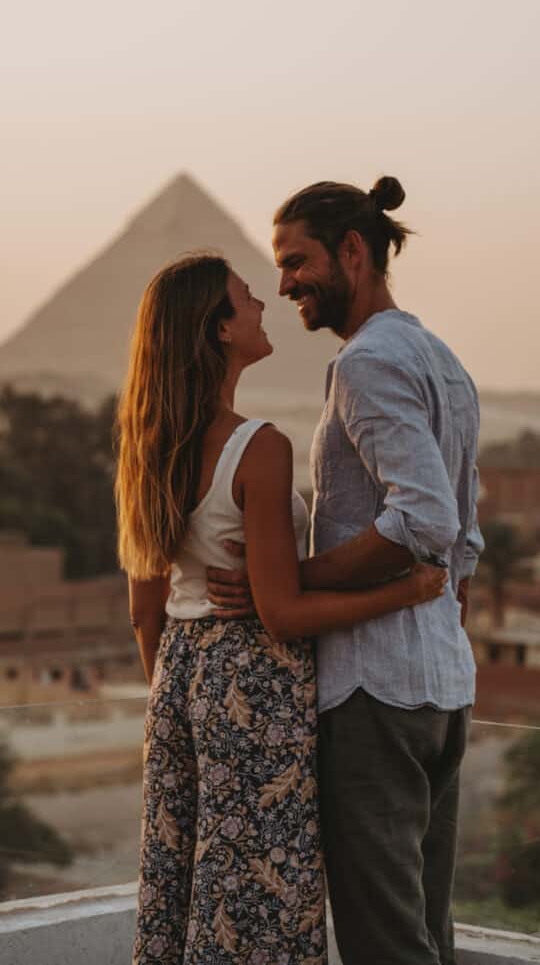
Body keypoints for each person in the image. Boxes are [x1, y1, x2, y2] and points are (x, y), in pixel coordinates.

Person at [115, 252, 448, 965]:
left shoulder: (148, 447)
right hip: (253, 694)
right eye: (245, 299)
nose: (264, 303)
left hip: (177, 682)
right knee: (259, 902)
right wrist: (405, 590)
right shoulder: (258, 449)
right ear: (219, 331)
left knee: (181, 885)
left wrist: (182, 700)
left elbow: (146, 613)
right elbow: (283, 616)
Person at [208, 176, 484, 965]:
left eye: (297, 262)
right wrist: (431, 611)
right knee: (428, 931)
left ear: (353, 252)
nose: (286, 282)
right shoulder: (442, 359)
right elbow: (465, 539)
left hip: (375, 691)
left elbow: (425, 518)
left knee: (384, 942)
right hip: (442, 686)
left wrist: (300, 582)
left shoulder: (365, 365)